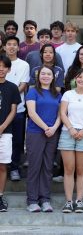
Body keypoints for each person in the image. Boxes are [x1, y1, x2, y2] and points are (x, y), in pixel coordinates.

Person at [58, 68, 83, 213]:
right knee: (69, 169)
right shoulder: (68, 94)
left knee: (81, 170)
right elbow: (63, 112)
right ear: (75, 79)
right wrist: (70, 128)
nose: (82, 79)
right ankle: (68, 201)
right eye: (79, 77)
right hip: (67, 132)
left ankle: (79, 201)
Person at [25, 66, 61, 212]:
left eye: (49, 74)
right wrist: (46, 127)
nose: (46, 76)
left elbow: (60, 114)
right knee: (35, 166)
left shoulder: (57, 94)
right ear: (38, 76)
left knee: (47, 167)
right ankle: (32, 200)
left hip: (52, 133)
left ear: (53, 77)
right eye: (43, 74)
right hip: (36, 133)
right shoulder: (33, 91)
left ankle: (45, 199)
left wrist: (54, 128)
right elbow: (32, 113)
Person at [4, 36, 30, 181]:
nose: (12, 47)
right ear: (5, 46)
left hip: (18, 108)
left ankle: (14, 167)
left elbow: (23, 85)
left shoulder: (24, 65)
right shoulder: (1, 62)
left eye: (15, 44)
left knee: (17, 141)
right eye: (9, 44)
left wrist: (10, 97)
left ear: (18, 47)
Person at [0, 54, 21, 212]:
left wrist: (2, 127)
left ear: (8, 69)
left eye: (4, 67)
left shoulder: (12, 87)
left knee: (2, 166)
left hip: (5, 132)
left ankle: (0, 196)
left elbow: (13, 111)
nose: (1, 69)